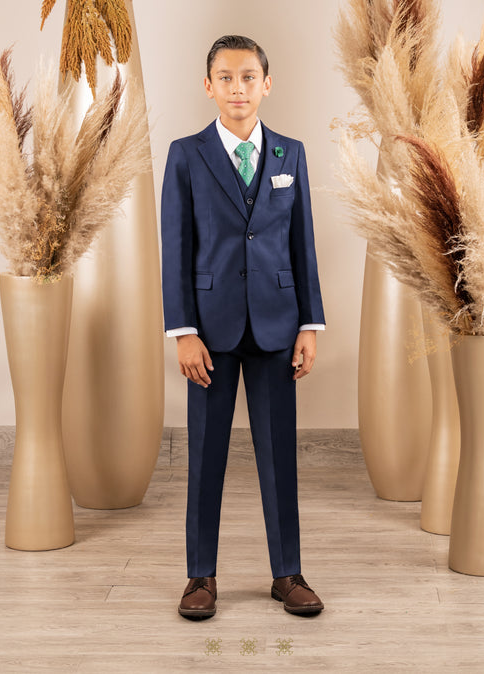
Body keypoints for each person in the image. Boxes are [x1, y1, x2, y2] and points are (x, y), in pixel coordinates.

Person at [161, 34, 326, 619]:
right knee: (205, 455)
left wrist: (309, 324)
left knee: (279, 455)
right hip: (208, 330)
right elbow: (176, 248)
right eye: (226, 78)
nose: (238, 88)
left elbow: (302, 245)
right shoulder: (186, 155)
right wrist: (182, 330)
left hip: (279, 326)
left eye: (248, 77)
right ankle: (200, 577)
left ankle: (288, 574)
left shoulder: (290, 154)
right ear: (208, 86)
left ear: (266, 84)